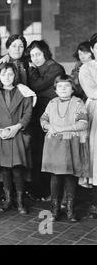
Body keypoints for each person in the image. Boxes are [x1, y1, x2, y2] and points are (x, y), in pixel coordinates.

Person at [0, 62, 36, 214]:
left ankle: (20, 201)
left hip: (17, 134)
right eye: (3, 74)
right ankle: (8, 199)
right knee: (5, 170)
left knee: (17, 170)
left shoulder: (24, 92)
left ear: (15, 76)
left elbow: (27, 114)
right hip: (1, 134)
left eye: (10, 74)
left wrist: (16, 128)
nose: (7, 77)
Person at [40, 75, 90, 222]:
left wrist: (61, 128)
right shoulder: (52, 102)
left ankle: (69, 209)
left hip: (70, 144)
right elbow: (43, 119)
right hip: (53, 144)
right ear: (55, 89)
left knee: (70, 177)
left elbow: (83, 123)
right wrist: (49, 126)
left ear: (73, 89)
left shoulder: (78, 102)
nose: (63, 89)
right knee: (55, 177)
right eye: (60, 86)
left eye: (67, 86)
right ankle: (55, 209)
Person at [27, 40, 66, 200]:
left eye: (38, 54)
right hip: (39, 114)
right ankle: (41, 190)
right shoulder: (40, 68)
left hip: (53, 115)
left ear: (45, 53)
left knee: (51, 152)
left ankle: (52, 192)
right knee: (38, 151)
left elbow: (37, 85)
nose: (35, 58)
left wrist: (31, 71)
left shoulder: (55, 67)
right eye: (32, 55)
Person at [79, 33, 97, 218]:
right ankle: (95, 202)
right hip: (95, 111)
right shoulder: (86, 68)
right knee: (96, 154)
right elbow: (92, 91)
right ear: (92, 50)